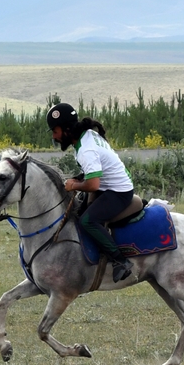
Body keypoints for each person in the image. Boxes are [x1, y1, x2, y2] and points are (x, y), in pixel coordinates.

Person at [47, 102, 136, 282]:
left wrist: (74, 185)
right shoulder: (86, 136)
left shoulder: (86, 149)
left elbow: (94, 185)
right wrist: (79, 179)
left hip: (118, 191)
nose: (54, 137)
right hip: (110, 186)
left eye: (55, 132)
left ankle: (121, 261)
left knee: (88, 220)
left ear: (66, 129)